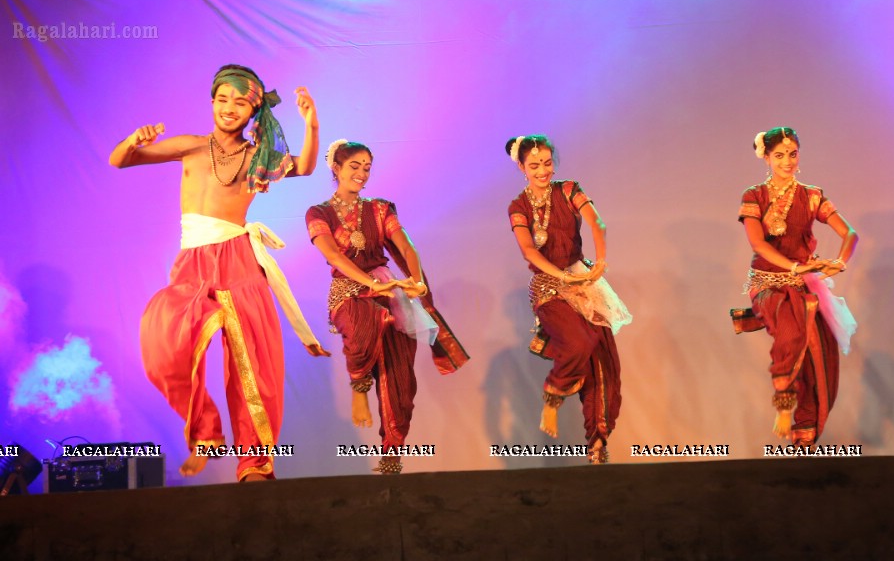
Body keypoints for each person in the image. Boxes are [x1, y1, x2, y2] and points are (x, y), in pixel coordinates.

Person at [109, 64, 329, 482]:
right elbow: (120, 161)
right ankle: (207, 434)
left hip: (239, 259)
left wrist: (311, 125)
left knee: (251, 362)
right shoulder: (191, 147)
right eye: (223, 98)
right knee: (163, 342)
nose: (230, 107)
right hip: (193, 262)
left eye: (241, 101)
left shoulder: (256, 157)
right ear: (212, 102)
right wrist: (133, 140)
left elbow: (304, 166)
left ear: (253, 110)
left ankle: (255, 464)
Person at [306, 140, 469, 473]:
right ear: (336, 167)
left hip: (389, 290)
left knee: (400, 381)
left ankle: (391, 457)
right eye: (355, 166)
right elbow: (333, 255)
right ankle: (358, 387)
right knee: (368, 326)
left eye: (367, 167)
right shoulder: (318, 213)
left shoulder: (380, 209)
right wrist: (371, 284)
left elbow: (406, 247)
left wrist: (416, 278)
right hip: (349, 291)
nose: (362, 174)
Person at [504, 135, 631, 463]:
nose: (543, 170)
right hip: (549, 284)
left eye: (547, 163)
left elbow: (596, 222)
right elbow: (529, 250)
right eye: (534, 165)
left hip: (582, 279)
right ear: (521, 167)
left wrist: (599, 261)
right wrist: (562, 277)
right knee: (579, 344)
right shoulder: (518, 207)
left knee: (604, 363)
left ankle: (598, 440)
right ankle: (554, 393)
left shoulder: (569, 189)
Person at [732, 127, 859, 448]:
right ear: (766, 157)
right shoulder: (754, 196)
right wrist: (794, 267)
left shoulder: (811, 195)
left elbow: (850, 234)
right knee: (791, 332)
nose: (787, 161)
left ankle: (805, 438)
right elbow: (758, 244)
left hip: (805, 282)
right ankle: (784, 405)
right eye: (779, 155)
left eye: (793, 154)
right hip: (768, 282)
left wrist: (840, 262)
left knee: (818, 359)